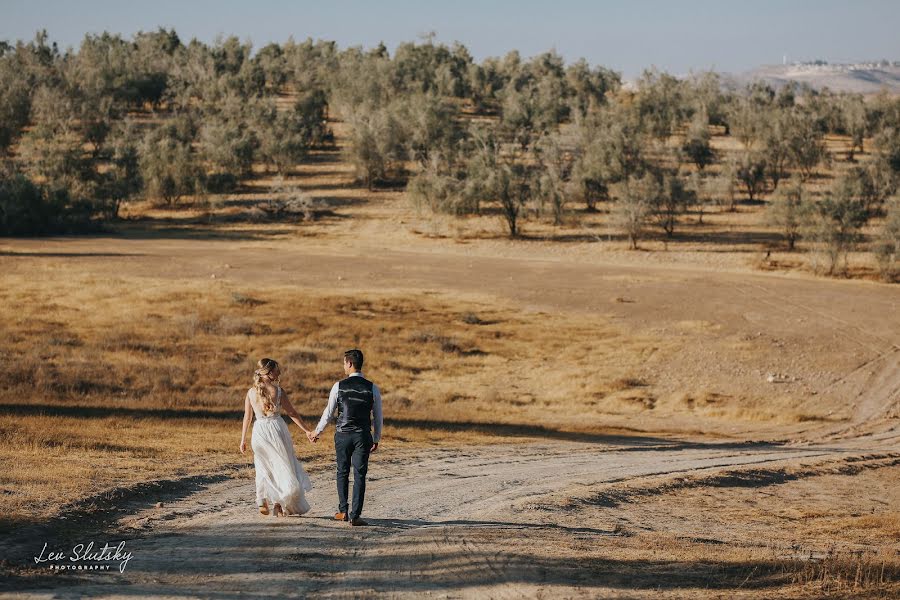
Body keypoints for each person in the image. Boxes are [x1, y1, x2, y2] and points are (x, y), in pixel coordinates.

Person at [308, 349, 383, 526]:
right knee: (360, 474)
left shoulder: (338, 386)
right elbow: (378, 416)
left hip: (342, 434)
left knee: (342, 471)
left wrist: (317, 432)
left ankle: (343, 511)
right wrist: (376, 437)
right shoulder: (372, 387)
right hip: (362, 436)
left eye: (344, 363)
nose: (343, 366)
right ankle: (355, 515)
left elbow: (329, 413)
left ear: (349, 363)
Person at [239, 358, 314, 517]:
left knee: (262, 466)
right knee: (281, 465)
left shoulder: (251, 392)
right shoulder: (278, 391)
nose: (279, 372)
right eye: (276, 370)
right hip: (276, 430)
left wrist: (243, 439)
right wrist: (307, 430)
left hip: (259, 432)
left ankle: (261, 499)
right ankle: (279, 503)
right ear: (269, 372)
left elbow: (247, 417)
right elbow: (292, 413)